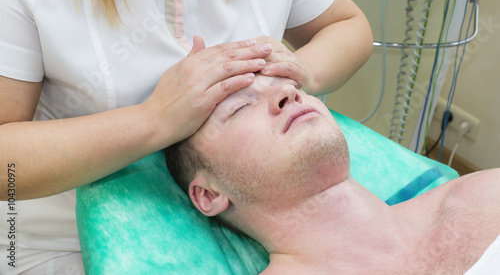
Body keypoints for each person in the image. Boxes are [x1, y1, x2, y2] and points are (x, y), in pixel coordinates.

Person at [0, 0, 373, 273]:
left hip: (253, 235)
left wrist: (305, 68)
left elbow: (347, 25)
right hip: (66, 246)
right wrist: (154, 120)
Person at [164, 74, 500, 275]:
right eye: (239, 107)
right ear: (209, 194)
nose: (288, 94)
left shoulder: (484, 195)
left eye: (290, 84)